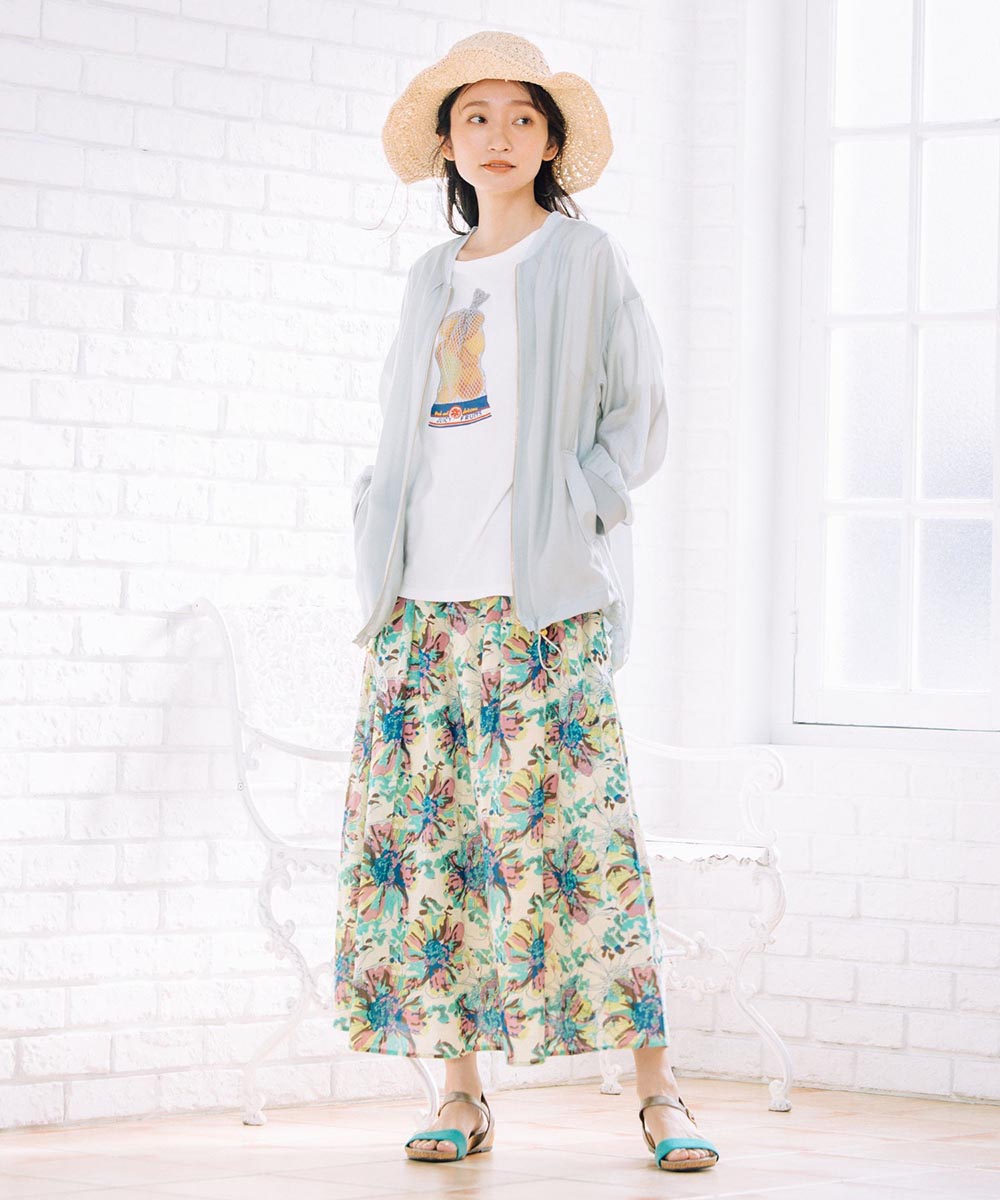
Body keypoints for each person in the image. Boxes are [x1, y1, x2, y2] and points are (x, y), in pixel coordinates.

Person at [332, 30, 720, 1174]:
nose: (497, 136)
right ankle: (460, 1094)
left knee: (586, 844)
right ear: (449, 145)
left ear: (549, 143)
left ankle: (659, 1093)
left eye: (520, 117)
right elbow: (404, 422)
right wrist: (378, 525)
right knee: (439, 848)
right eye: (476, 118)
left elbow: (639, 415)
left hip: (538, 608)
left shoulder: (583, 258)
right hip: (419, 609)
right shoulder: (430, 277)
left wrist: (573, 500)